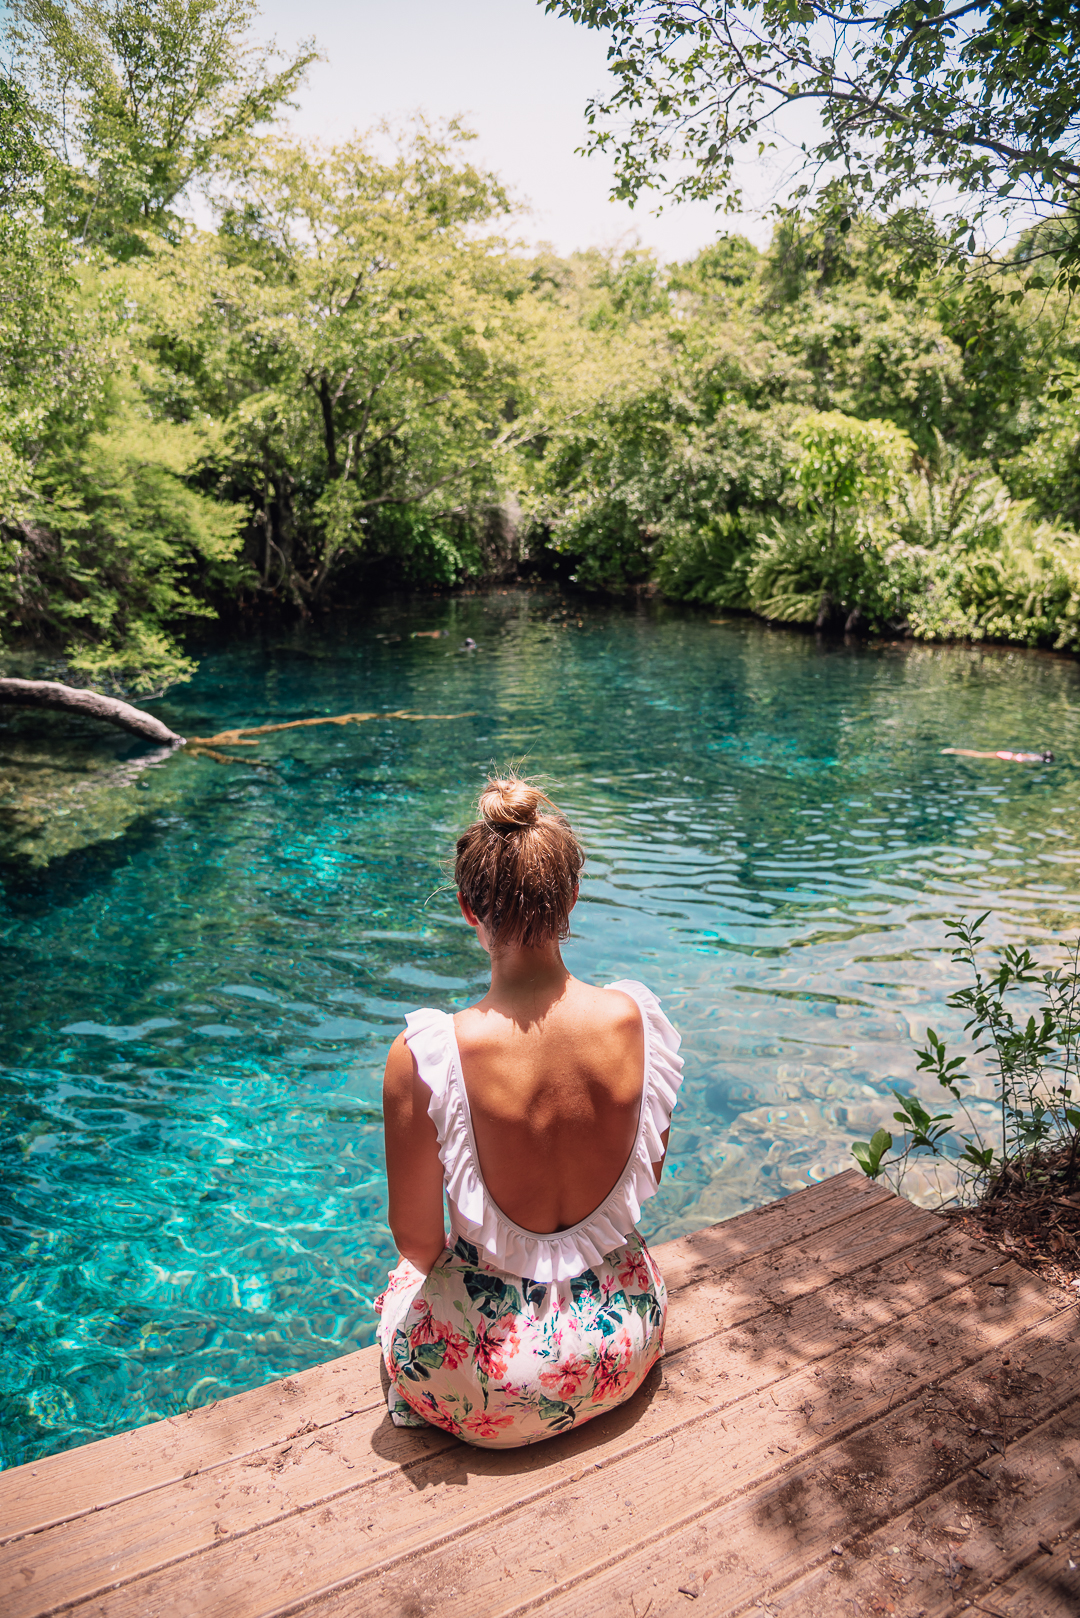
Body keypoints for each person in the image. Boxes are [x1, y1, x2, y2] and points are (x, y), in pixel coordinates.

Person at [375, 773, 683, 1448]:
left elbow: (420, 1245)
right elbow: (648, 1176)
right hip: (623, 1341)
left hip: (495, 1385)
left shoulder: (426, 1056)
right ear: (571, 896)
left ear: (467, 908)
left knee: (401, 1286)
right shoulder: (639, 1021)